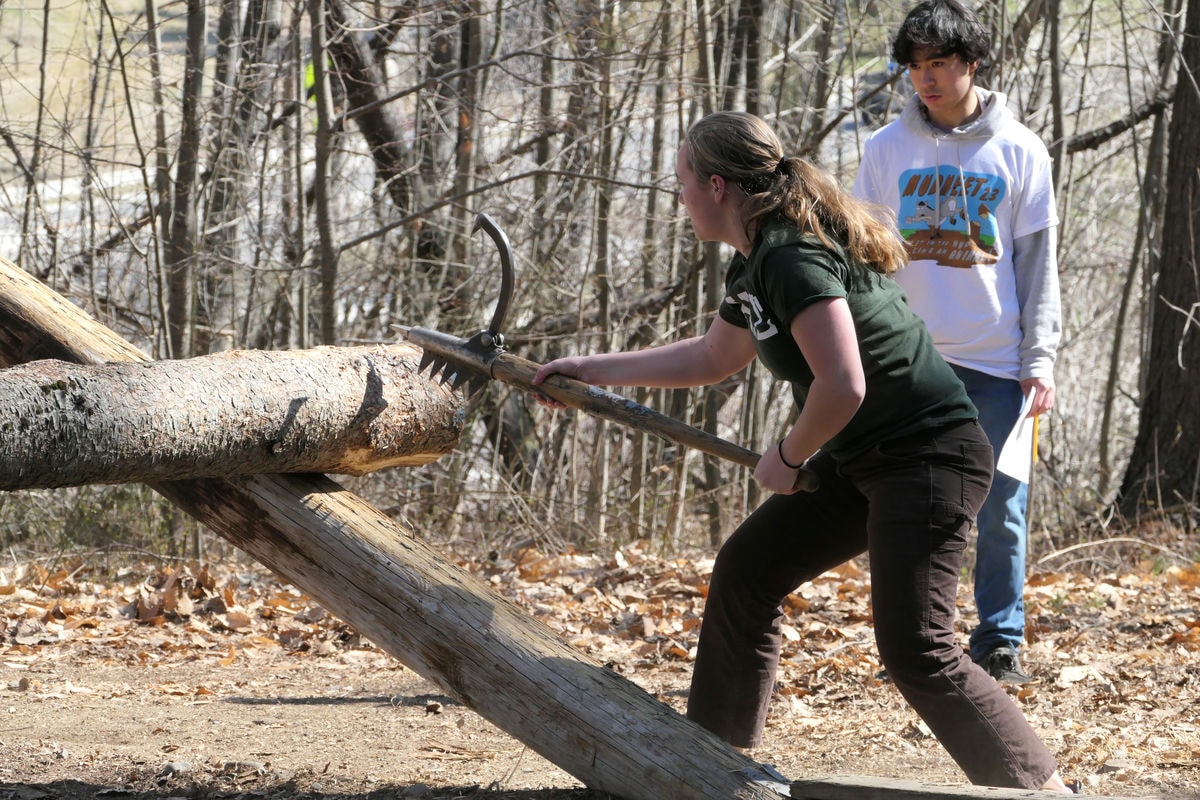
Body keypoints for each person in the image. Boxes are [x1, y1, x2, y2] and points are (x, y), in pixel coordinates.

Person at [532, 110, 1071, 791]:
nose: (679, 197)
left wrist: (787, 455)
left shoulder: (790, 254)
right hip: (864, 458)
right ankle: (714, 768)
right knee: (747, 572)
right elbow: (713, 356)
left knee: (919, 649)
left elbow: (845, 384)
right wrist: (592, 369)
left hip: (928, 455)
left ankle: (1040, 789)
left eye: (683, 182)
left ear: (719, 186)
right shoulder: (754, 262)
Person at [852, 0, 1061, 685]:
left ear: (971, 62)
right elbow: (862, 258)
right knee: (905, 504)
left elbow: (1038, 266)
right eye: (915, 66)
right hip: (906, 362)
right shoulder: (884, 149)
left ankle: (999, 640)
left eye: (939, 63)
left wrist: (1041, 360)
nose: (926, 79)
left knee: (1002, 506)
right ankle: (913, 641)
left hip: (996, 365)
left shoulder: (1022, 150)